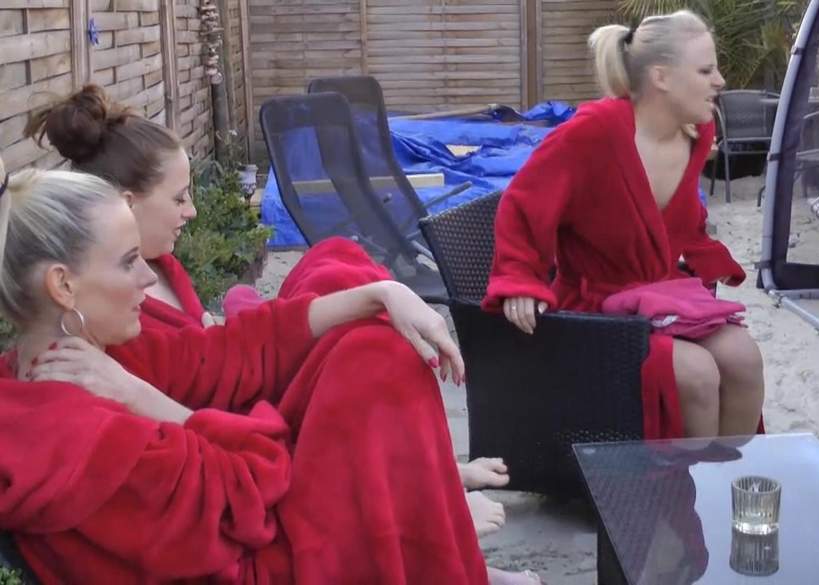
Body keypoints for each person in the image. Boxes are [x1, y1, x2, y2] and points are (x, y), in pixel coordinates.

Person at [0, 159, 539, 584]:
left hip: (238, 525)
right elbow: (259, 476)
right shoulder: (88, 433)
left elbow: (226, 354)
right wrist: (141, 396)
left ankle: (431, 519)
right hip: (267, 567)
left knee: (343, 277)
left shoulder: (80, 357)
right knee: (380, 364)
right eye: (127, 262)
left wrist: (381, 292)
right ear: (63, 286)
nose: (147, 278)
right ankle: (432, 529)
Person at [25, 84, 512, 530]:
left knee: (337, 261)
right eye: (179, 198)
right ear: (127, 205)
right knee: (374, 351)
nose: (192, 210)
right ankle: (427, 505)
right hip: (237, 430)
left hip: (232, 388)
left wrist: (383, 293)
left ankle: (426, 473)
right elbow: (204, 388)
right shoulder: (115, 323)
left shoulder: (160, 269)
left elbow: (212, 349)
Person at [483, 10, 764, 439]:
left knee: (744, 358)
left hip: (663, 295)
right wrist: (519, 277)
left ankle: (733, 475)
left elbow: (681, 220)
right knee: (697, 374)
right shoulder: (594, 132)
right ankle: (686, 480)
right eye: (706, 70)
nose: (720, 81)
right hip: (597, 309)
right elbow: (523, 202)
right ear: (661, 77)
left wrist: (704, 253)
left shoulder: (696, 135)